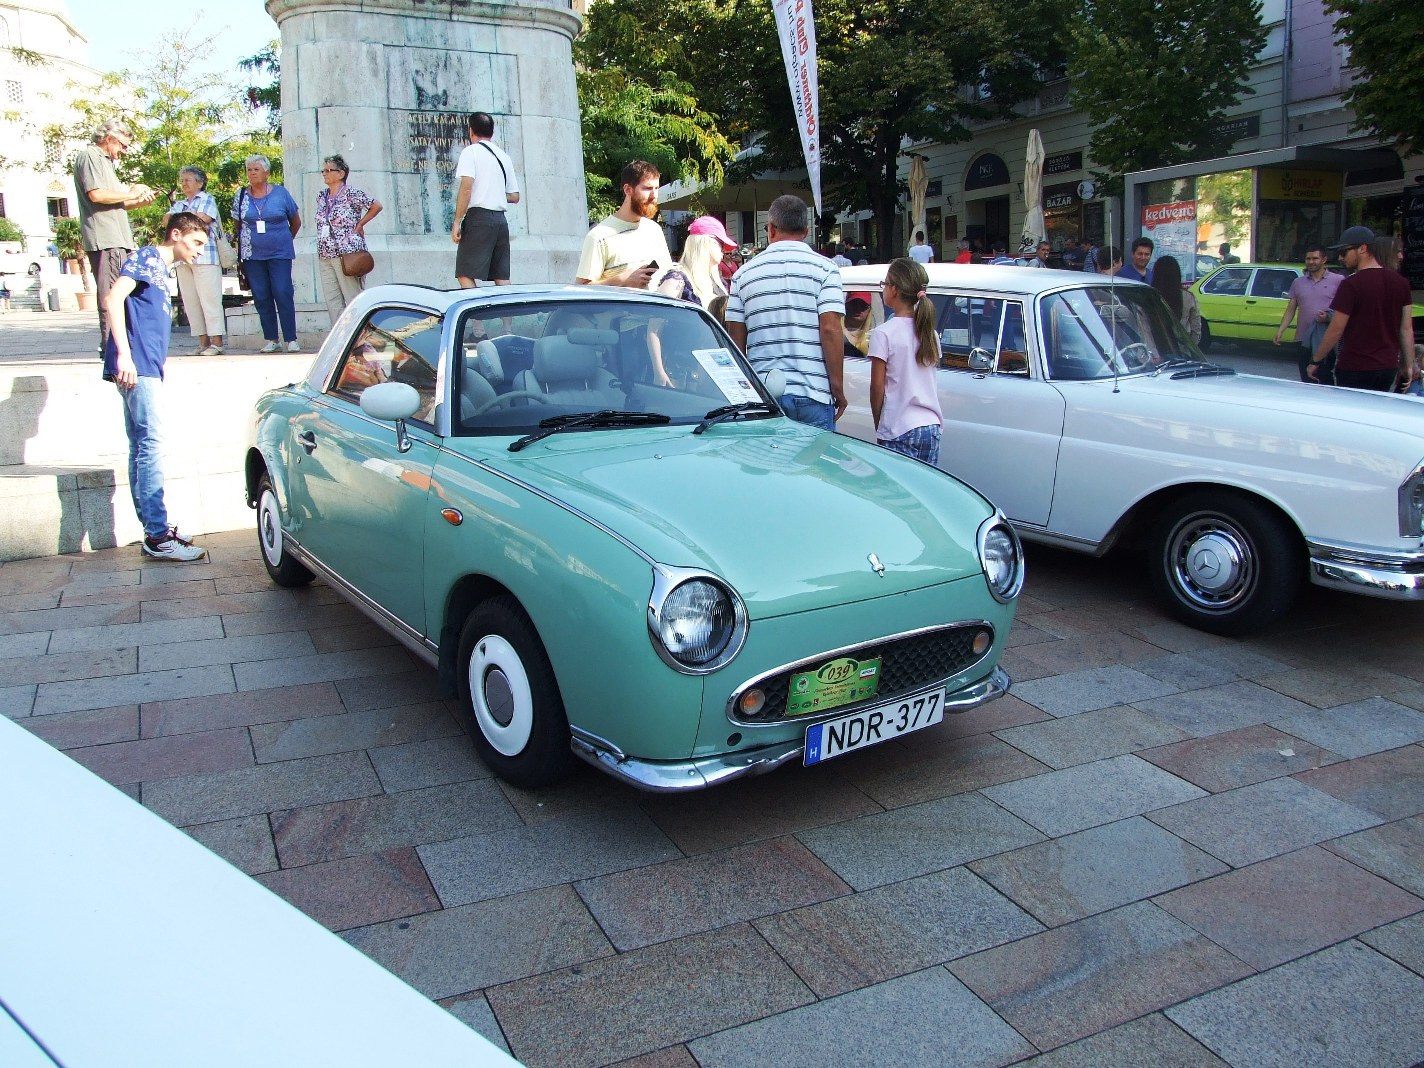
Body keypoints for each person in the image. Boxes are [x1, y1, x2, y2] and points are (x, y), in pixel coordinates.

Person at [102, 212, 209, 562]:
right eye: (195, 243)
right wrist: (124, 357)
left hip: (146, 366)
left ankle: (153, 528)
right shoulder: (147, 257)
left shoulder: (163, 268)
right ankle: (158, 535)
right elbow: (113, 298)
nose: (198, 251)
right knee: (149, 445)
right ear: (175, 234)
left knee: (140, 445)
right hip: (138, 367)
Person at [724, 194, 845, 429]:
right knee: (816, 467)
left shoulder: (742, 275)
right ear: (806, 230)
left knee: (767, 465)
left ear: (770, 229)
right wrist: (837, 386)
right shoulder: (826, 270)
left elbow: (735, 340)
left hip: (763, 395)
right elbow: (830, 329)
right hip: (814, 393)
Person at [73, 119, 156, 350]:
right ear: (108, 139)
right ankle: (114, 350)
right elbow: (97, 195)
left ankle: (121, 346)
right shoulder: (91, 156)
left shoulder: (105, 162)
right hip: (106, 239)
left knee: (122, 293)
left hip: (117, 237)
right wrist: (131, 192)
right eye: (123, 145)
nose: (124, 151)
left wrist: (138, 200)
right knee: (112, 295)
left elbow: (114, 203)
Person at [1308, 225, 1416, 391]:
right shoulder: (1401, 283)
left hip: (1355, 366)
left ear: (1362, 249)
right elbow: (1406, 329)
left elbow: (1336, 328)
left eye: (1344, 252)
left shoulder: (1350, 284)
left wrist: (1316, 360)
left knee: (1351, 414)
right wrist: (1409, 365)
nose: (1340, 258)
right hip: (1387, 367)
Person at [868, 257, 943, 465]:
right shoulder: (930, 333)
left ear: (894, 290)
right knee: (924, 491)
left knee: (897, 494)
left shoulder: (884, 334)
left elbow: (877, 387)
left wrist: (879, 422)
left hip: (899, 427)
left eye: (885, 283)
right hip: (931, 425)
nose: (882, 288)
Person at [234, 155, 302, 353]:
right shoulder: (241, 195)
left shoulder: (281, 193)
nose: (252, 173)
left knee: (282, 291)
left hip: (280, 252)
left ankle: (291, 338)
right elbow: (237, 223)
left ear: (267, 172)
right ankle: (272, 339)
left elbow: (295, 221)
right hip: (252, 254)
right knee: (261, 295)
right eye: (249, 169)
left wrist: (285, 239)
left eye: (256, 169)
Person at [576, 160, 671, 288]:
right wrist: (622, 280)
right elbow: (582, 289)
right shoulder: (599, 236)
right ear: (628, 190)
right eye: (647, 188)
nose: (654, 195)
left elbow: (668, 275)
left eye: (656, 188)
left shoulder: (654, 230)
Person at [451, 112, 520, 288]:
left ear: (471, 131)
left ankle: (477, 317)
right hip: (500, 221)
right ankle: (508, 316)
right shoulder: (504, 156)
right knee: (502, 277)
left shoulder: (471, 152)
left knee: (464, 272)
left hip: (479, 218)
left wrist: (457, 221)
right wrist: (494, 193)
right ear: (492, 132)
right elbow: (514, 196)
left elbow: (466, 188)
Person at [315, 154, 383, 322]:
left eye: (329, 170)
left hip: (348, 253)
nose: (325, 173)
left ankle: (360, 338)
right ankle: (340, 339)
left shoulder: (351, 193)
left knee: (353, 298)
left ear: (341, 173)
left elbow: (376, 206)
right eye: (323, 170)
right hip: (326, 254)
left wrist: (361, 224)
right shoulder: (321, 196)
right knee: (333, 301)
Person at [171, 166, 226, 355]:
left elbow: (202, 220)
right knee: (191, 301)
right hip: (182, 259)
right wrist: (185, 219)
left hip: (205, 256)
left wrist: (179, 221)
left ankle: (217, 343)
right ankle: (202, 343)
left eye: (188, 180)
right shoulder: (179, 203)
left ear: (200, 182)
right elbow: (167, 222)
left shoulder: (207, 199)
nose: (184, 183)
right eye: (182, 180)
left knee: (209, 299)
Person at [1273, 244, 1341, 382]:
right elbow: (1291, 308)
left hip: (1326, 339)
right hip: (1303, 340)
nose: (1311, 262)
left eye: (1315, 258)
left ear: (1324, 260)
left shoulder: (1338, 280)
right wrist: (1281, 330)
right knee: (1306, 379)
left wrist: (1328, 318)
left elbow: (1342, 311)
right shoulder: (1298, 282)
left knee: (1325, 378)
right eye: (1308, 258)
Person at [1149, 255, 1200, 343]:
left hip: (1155, 346)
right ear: (1177, 274)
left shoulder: (1149, 296)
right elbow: (1196, 328)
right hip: (1181, 347)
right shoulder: (1188, 297)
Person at [843, 292, 873, 360]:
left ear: (869, 309)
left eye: (863, 305)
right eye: (854, 303)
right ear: (846, 306)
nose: (858, 308)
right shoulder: (836, 333)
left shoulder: (873, 337)